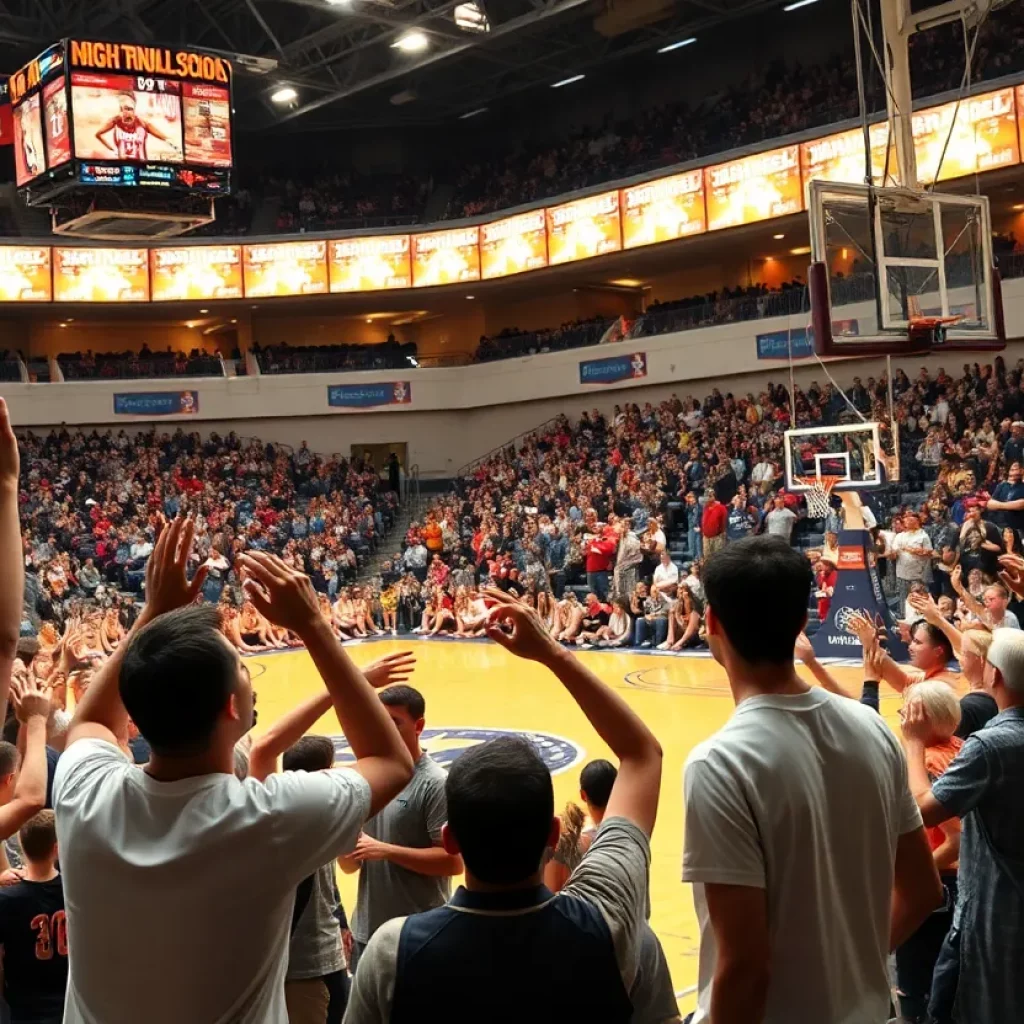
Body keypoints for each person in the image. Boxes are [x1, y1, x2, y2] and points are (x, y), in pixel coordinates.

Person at [53, 524, 415, 1024]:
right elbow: (393, 763)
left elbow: (90, 720)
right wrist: (312, 624)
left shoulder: (85, 793)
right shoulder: (270, 819)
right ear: (232, 707)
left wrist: (152, 615)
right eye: (242, 667)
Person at [345, 588, 667, 1023]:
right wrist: (553, 653)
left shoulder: (392, 952)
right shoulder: (606, 919)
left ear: (450, 839)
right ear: (553, 835)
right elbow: (642, 754)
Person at [683, 536, 941, 1024]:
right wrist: (852, 962)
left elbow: (745, 968)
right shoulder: (873, 730)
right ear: (804, 622)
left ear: (712, 623)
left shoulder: (719, 763)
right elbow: (923, 890)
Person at [902, 627, 1024, 1024]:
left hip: (993, 910)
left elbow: (923, 808)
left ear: (994, 676)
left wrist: (914, 743)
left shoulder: (991, 746)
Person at [343, 685, 462, 967]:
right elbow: (351, 866)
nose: (384, 729)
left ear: (419, 726)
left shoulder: (435, 783)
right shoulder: (367, 777)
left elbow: (453, 862)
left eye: (394, 722)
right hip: (367, 932)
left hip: (419, 932)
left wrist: (386, 850)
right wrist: (342, 844)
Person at [892, 683, 963, 1024]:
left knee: (915, 985)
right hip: (953, 888)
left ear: (923, 718)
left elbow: (956, 839)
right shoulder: (959, 747)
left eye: (907, 712)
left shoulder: (928, 761)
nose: (903, 719)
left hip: (937, 889)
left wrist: (915, 875)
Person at [0, 811, 67, 1024]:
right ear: (56, 848)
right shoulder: (74, 892)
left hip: (23, 1006)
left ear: (20, 841)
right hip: (68, 1001)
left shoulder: (6, 898)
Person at [890, 511, 934, 610]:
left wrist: (913, 550)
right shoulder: (899, 536)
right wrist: (891, 554)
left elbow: (928, 552)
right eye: (905, 519)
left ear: (916, 521)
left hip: (918, 576)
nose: (906, 521)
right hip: (902, 575)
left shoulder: (923, 536)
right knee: (904, 603)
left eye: (909, 519)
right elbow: (893, 554)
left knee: (919, 602)